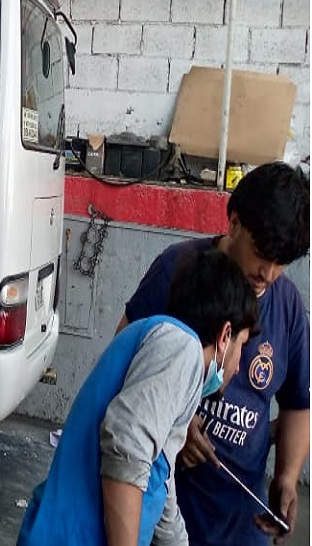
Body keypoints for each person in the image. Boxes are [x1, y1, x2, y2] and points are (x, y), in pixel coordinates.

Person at [116, 161, 310, 544]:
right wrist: (175, 422)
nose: (268, 273)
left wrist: (287, 476)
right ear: (234, 223)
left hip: (241, 519)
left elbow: (298, 404)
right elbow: (123, 356)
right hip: (166, 506)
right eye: (261, 253)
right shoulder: (177, 269)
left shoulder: (288, 304)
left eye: (281, 262)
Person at [18, 249, 259, 546]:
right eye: (242, 346)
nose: (238, 367)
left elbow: (160, 479)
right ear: (225, 336)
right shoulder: (182, 347)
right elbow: (127, 447)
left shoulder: (168, 348)